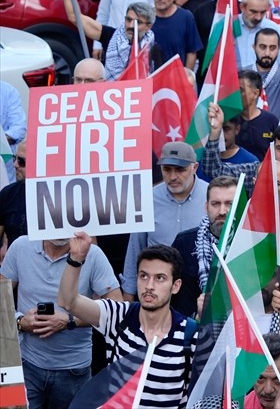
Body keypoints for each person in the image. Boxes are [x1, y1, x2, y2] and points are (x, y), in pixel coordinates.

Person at [58, 238, 200, 409]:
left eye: (160, 278)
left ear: (175, 286)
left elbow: (200, 393)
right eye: (143, 276)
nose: (149, 286)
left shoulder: (190, 333)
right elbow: (68, 301)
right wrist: (75, 259)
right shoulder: (119, 316)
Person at [2, 231, 121, 409]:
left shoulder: (93, 254)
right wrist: (20, 322)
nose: (58, 227)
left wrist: (69, 320)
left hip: (74, 371)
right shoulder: (20, 247)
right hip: (26, 366)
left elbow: (117, 308)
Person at [120, 142, 206, 298]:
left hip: (199, 290)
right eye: (167, 170)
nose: (173, 177)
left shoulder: (211, 197)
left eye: (180, 170)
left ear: (194, 167)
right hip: (156, 290)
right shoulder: (147, 199)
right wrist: (128, 297)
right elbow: (135, 249)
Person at [168, 175, 239, 317]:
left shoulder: (250, 244)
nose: (222, 211)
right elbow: (170, 295)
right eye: (216, 204)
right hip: (191, 330)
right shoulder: (184, 243)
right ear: (206, 207)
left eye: (229, 204)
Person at [150, 0, 203, 70]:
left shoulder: (186, 17)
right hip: (149, 80)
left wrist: (186, 79)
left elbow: (191, 52)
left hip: (176, 80)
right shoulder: (145, 18)